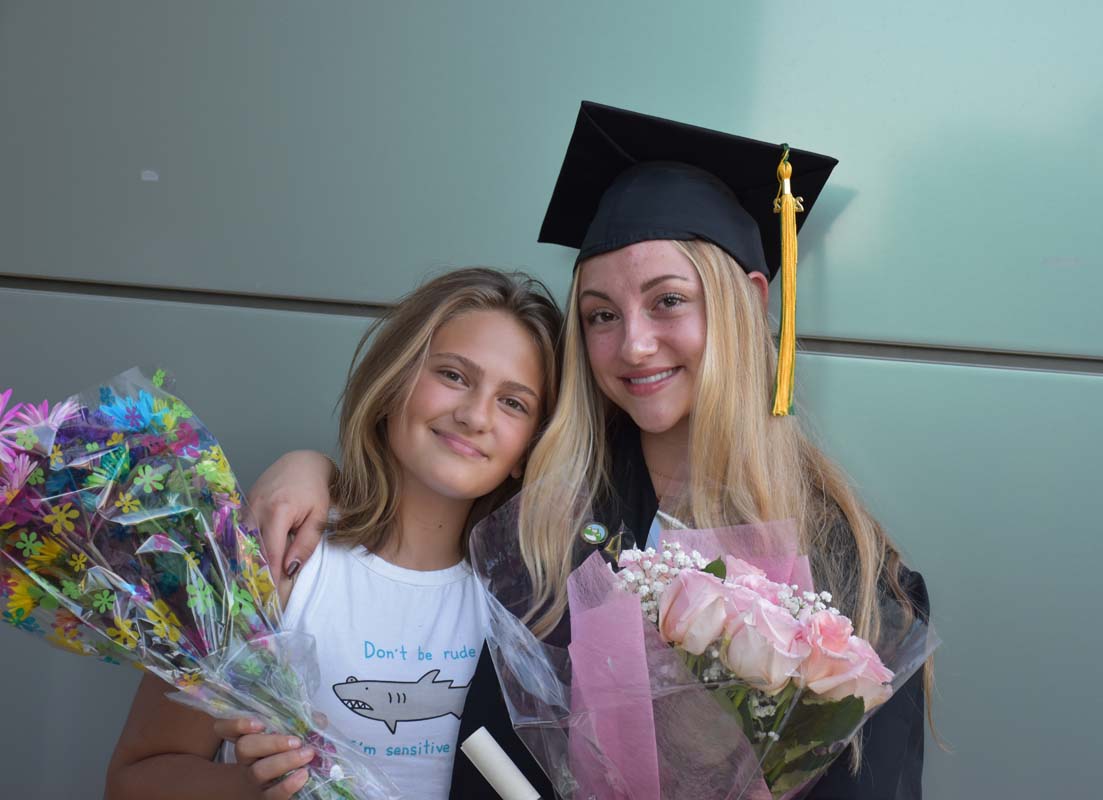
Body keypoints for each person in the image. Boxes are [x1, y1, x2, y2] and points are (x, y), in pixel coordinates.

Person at [249, 102, 934, 799]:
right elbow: (426, 489)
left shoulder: (855, 581)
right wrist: (317, 473)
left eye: (667, 301)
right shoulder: (546, 534)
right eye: (601, 315)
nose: (633, 345)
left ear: (750, 301)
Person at [104, 268, 562, 799]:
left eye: (514, 402)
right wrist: (259, 788)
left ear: (529, 448)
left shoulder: (537, 605)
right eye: (453, 375)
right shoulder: (274, 558)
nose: (474, 414)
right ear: (393, 383)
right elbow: (132, 780)